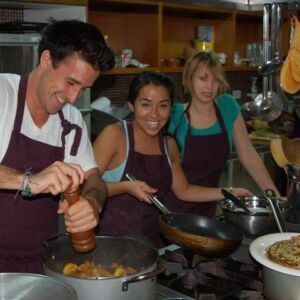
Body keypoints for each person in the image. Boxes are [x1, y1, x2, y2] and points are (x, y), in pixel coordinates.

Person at [0, 19, 115, 273]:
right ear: (45, 59)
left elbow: (94, 179)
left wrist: (92, 202)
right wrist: (30, 181)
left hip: (38, 266)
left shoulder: (71, 122)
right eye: (71, 82)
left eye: (83, 88)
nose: (73, 98)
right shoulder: (3, 95)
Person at [93, 71, 251, 248]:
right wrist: (125, 187)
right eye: (145, 105)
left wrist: (229, 192)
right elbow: (85, 186)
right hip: (110, 245)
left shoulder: (169, 146)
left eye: (163, 106)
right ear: (131, 105)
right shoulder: (115, 135)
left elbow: (184, 191)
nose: (154, 115)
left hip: (153, 244)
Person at [164, 51, 280, 218]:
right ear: (189, 79)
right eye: (203, 79)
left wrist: (273, 197)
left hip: (209, 207)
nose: (210, 86)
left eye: (216, 79)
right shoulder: (174, 115)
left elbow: (248, 154)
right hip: (172, 209)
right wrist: (230, 191)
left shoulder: (228, 105)